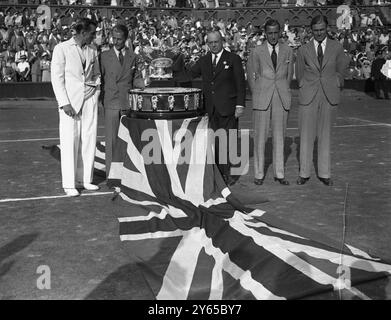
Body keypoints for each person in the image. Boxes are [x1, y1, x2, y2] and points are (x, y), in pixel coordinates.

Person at [295, 15, 348, 186]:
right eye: (316, 30)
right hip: (308, 95)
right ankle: (304, 172)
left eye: (322, 30)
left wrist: (336, 82)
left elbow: (342, 69)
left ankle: (324, 173)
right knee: (306, 135)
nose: (319, 33)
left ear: (327, 29)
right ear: (311, 30)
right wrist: (304, 86)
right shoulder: (303, 49)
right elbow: (300, 73)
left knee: (325, 135)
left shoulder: (337, 47)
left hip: (329, 94)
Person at [51, 18, 101, 197]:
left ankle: (85, 179)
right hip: (69, 103)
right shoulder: (61, 48)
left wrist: (94, 91)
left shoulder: (93, 50)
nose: (94, 36)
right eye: (92, 33)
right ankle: (69, 183)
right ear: (83, 32)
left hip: (89, 100)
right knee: (69, 140)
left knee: (89, 138)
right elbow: (57, 78)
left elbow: (96, 75)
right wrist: (64, 103)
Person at [189, 30, 246, 185]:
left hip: (229, 107)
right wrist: (169, 72)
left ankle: (226, 174)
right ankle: (217, 174)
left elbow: (241, 84)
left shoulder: (233, 59)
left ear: (222, 41)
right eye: (210, 42)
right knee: (214, 143)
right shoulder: (204, 60)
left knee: (227, 142)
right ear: (207, 44)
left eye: (216, 42)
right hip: (211, 109)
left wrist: (240, 104)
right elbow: (189, 75)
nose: (213, 45)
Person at [247, 19, 294, 186]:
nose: (273, 36)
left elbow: (289, 76)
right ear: (265, 34)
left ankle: (279, 173)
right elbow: (251, 74)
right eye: (270, 33)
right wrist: (257, 93)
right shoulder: (257, 51)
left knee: (279, 136)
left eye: (276, 32)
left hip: (281, 97)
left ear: (280, 32)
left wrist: (283, 90)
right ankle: (259, 174)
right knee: (260, 136)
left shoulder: (288, 50)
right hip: (262, 97)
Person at [100, 23, 145, 178]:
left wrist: (145, 83)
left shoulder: (133, 57)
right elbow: (99, 80)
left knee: (128, 140)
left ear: (126, 39)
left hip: (127, 104)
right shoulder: (104, 56)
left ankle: (128, 175)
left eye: (119, 39)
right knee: (111, 142)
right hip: (111, 103)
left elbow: (136, 80)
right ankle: (112, 176)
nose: (116, 41)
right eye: (114, 38)